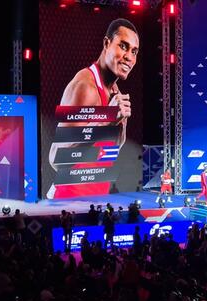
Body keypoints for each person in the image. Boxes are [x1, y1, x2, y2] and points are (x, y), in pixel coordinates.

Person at [48, 19, 139, 198]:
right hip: (68, 201)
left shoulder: (115, 92)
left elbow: (112, 150)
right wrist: (106, 119)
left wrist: (120, 124)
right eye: (123, 46)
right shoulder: (85, 86)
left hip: (95, 197)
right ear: (106, 43)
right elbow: (56, 158)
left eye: (134, 51)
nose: (129, 57)